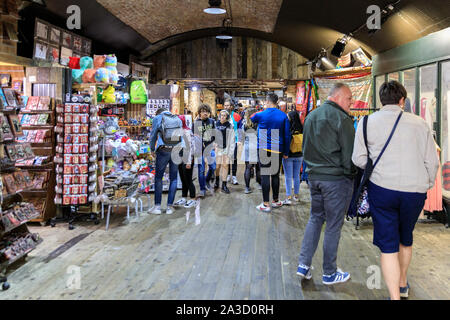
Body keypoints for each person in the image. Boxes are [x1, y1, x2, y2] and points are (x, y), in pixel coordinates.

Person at [352, 81, 439, 300]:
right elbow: (432, 161)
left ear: (381, 100)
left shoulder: (366, 122)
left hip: (382, 190)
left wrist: (379, 168)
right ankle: (402, 282)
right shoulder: (420, 124)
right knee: (405, 237)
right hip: (415, 192)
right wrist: (426, 182)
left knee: (388, 244)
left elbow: (358, 159)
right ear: (403, 100)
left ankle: (394, 297)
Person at [296, 83, 356, 285]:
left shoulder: (311, 116)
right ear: (338, 97)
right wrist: (351, 175)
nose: (351, 103)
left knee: (315, 218)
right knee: (333, 225)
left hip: (314, 178)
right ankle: (329, 272)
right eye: (349, 99)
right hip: (336, 180)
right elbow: (349, 155)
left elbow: (305, 148)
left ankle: (303, 265)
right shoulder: (342, 119)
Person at [250, 93, 290, 212]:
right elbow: (287, 135)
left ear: (267, 102)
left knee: (265, 175)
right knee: (275, 175)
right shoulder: (283, 116)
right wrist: (286, 152)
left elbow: (252, 117)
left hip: (263, 146)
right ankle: (276, 200)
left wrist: (263, 109)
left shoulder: (261, 114)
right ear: (276, 102)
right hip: (277, 147)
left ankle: (266, 204)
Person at [149, 107, 183, 215]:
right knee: (173, 179)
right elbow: (181, 137)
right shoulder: (177, 119)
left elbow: (153, 135)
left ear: (158, 113)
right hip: (176, 150)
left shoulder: (158, 118)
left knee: (158, 178)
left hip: (163, 150)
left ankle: (157, 207)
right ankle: (169, 207)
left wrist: (152, 149)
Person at [174, 115, 198, 209]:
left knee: (188, 179)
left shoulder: (187, 132)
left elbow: (191, 148)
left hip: (187, 158)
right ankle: (184, 197)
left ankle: (193, 199)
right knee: (182, 179)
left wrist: (189, 161)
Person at [192, 104, 216, 197]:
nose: (205, 113)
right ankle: (202, 189)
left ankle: (206, 180)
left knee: (213, 167)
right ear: (199, 113)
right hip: (199, 150)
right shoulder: (196, 123)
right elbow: (194, 138)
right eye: (203, 111)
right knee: (201, 170)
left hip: (210, 148)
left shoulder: (212, 122)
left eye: (207, 111)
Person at [282, 111, 303, 205]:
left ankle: (288, 197)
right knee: (296, 176)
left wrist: (284, 153)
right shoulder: (302, 128)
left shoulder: (288, 128)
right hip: (299, 155)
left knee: (288, 177)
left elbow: (286, 142)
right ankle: (296, 196)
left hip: (289, 156)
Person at [240, 107, 261, 194]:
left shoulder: (244, 124)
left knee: (248, 167)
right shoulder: (259, 123)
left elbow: (242, 136)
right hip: (257, 145)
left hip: (248, 145)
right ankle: (260, 184)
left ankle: (247, 187)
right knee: (258, 167)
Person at [214, 110, 235, 194]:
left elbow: (232, 139)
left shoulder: (230, 126)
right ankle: (217, 180)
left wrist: (230, 152)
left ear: (227, 117)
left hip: (226, 148)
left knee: (225, 166)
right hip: (217, 148)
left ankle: (224, 185)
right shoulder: (216, 124)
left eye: (224, 116)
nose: (222, 117)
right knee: (217, 166)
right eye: (221, 115)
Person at [224, 99, 241, 185]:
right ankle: (227, 175)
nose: (226, 107)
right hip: (225, 140)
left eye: (228, 105)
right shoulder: (222, 115)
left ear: (231, 107)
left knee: (233, 158)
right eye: (225, 105)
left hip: (234, 140)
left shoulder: (236, 116)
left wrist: (239, 139)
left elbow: (239, 128)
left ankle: (234, 176)